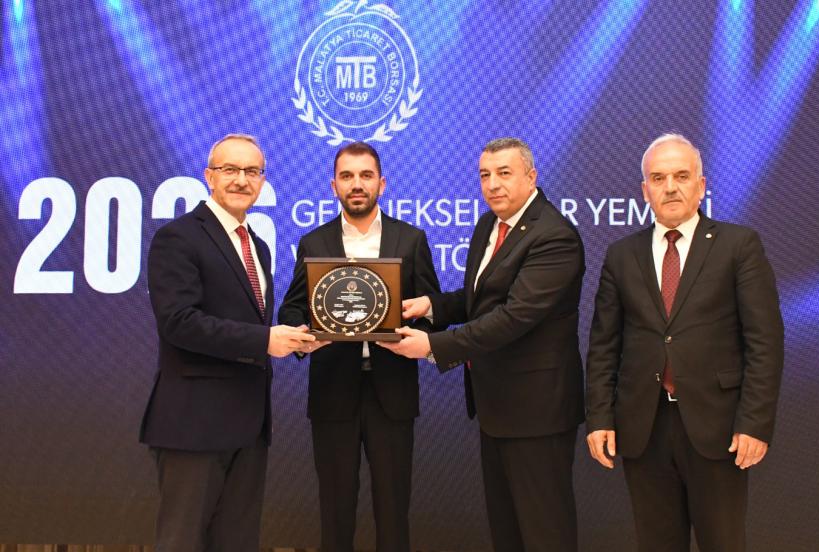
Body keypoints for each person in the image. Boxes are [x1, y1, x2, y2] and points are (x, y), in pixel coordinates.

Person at [381, 138, 585, 552]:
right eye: (485, 175)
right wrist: (432, 306)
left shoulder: (554, 236)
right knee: (507, 532)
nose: (492, 184)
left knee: (545, 532)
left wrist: (433, 345)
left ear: (531, 177)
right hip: (496, 407)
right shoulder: (489, 224)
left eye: (504, 173)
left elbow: (513, 317)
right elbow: (481, 300)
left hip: (537, 411)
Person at [585, 133, 784, 551]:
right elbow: (604, 345)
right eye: (658, 178)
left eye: (681, 176)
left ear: (701, 184)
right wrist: (600, 417)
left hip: (719, 428)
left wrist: (754, 423)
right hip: (644, 428)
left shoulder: (738, 246)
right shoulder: (622, 254)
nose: (670, 187)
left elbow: (764, 342)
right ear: (645, 190)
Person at [139, 134, 323, 552]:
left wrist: (296, 339)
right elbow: (179, 323)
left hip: (249, 426)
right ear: (209, 176)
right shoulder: (178, 237)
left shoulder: (257, 245)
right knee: (181, 542)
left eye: (252, 171)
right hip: (194, 425)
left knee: (237, 542)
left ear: (263, 181)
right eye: (230, 170)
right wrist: (265, 340)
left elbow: (250, 323)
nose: (242, 180)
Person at [278, 142, 441, 552]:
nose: (356, 184)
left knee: (394, 513)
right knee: (335, 513)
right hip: (333, 392)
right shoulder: (313, 242)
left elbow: (432, 308)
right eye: (347, 176)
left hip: (393, 394)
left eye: (365, 175)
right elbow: (292, 307)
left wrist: (415, 328)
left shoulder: (411, 239)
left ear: (381, 184)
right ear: (333, 185)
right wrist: (304, 335)